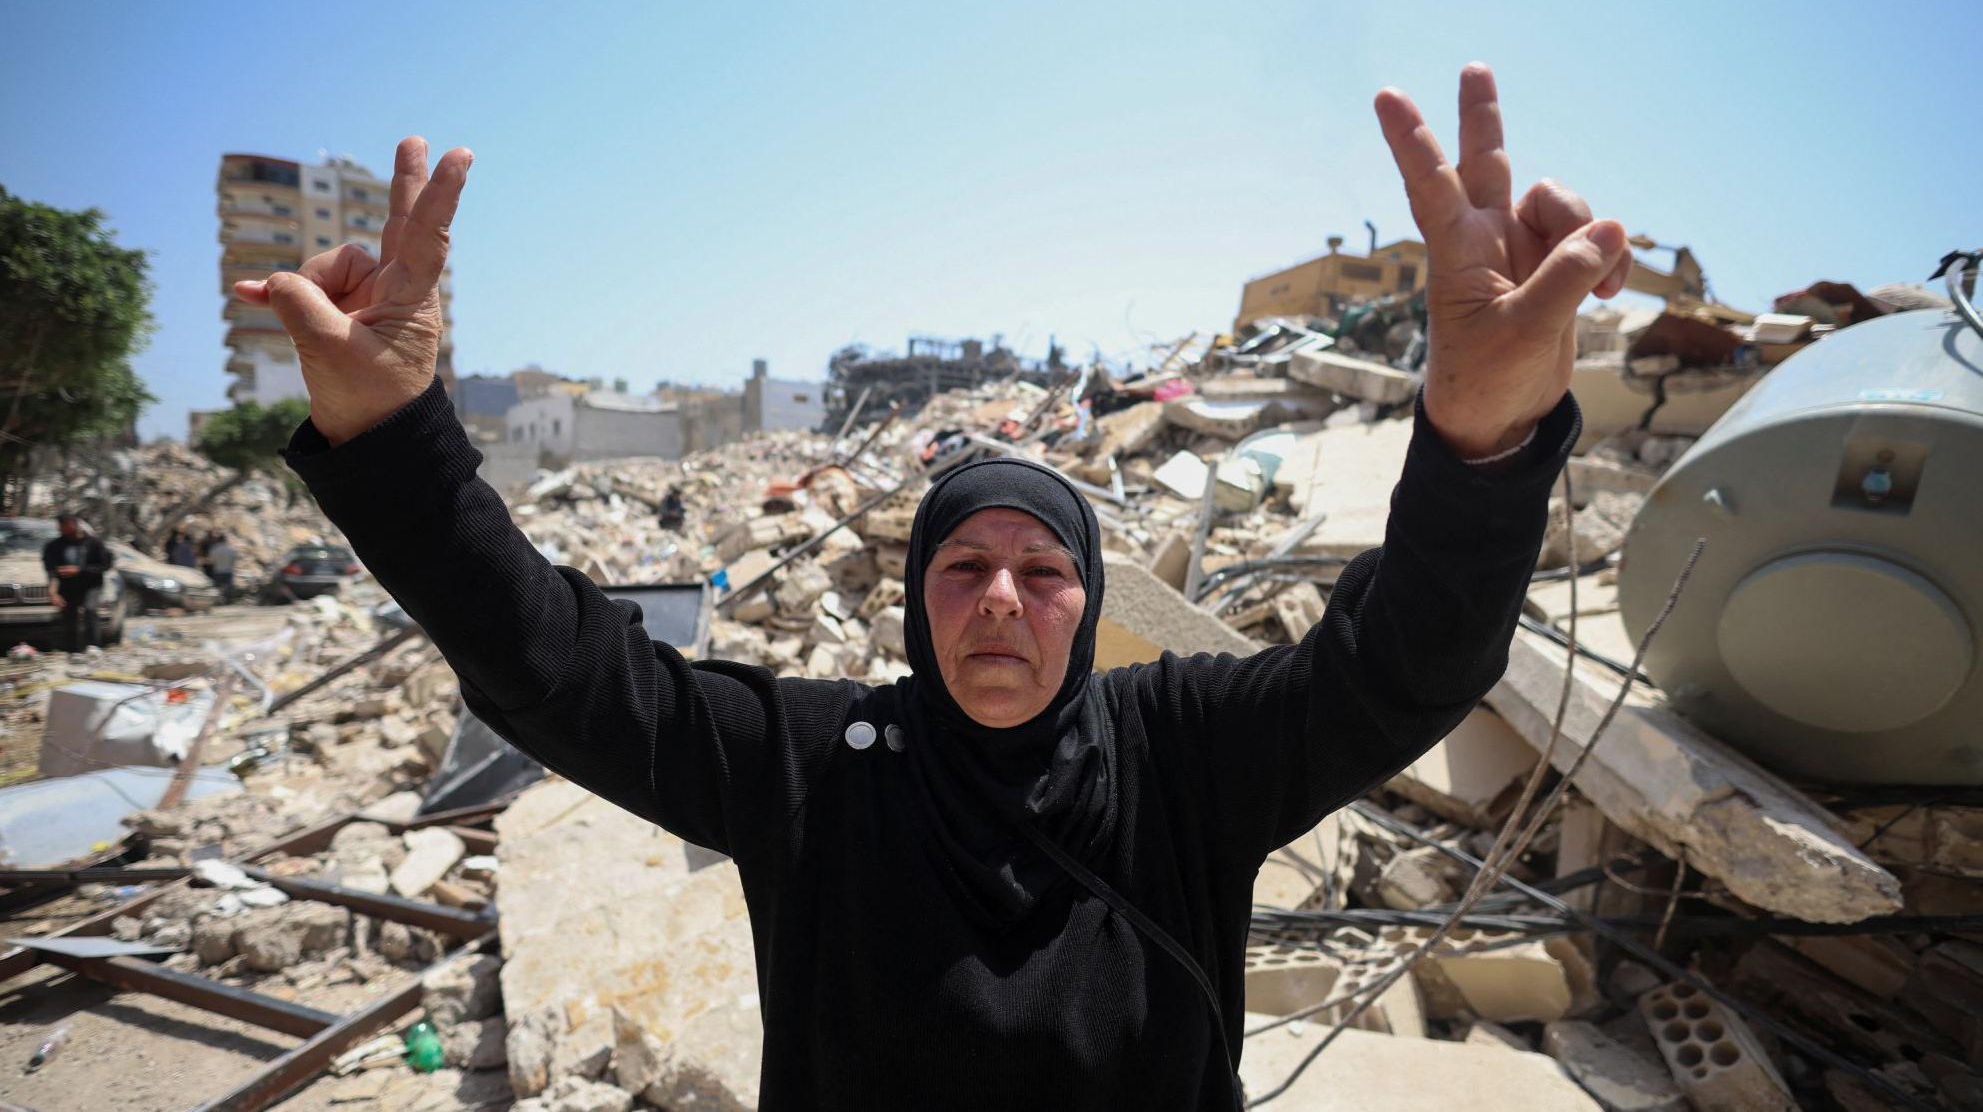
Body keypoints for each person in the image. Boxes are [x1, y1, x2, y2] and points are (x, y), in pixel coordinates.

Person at [247, 65, 1631, 1109]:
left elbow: (1407, 666)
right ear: (917, 600)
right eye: (963, 566)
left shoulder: (1185, 754)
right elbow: (556, 668)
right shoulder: (812, 767)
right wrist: (399, 440)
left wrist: (1480, 443)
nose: (1001, 598)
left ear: (1088, 599)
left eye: (1043, 570)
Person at [41, 513, 115, 653]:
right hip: (68, 587)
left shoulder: (94, 544)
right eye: (62, 527)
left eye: (67, 526)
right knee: (69, 616)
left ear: (75, 525)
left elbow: (104, 565)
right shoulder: (54, 546)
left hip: (92, 585)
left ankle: (93, 646)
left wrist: (80, 570)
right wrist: (53, 592)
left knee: (90, 610)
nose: (64, 531)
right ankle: (73, 650)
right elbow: (52, 571)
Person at [204, 533, 238, 603]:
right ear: (225, 540)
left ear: (218, 540)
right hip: (228, 571)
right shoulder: (231, 549)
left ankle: (216, 601)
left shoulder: (214, 549)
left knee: (216, 587)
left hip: (218, 570)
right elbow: (233, 561)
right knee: (228, 587)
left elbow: (211, 561)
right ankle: (227, 600)